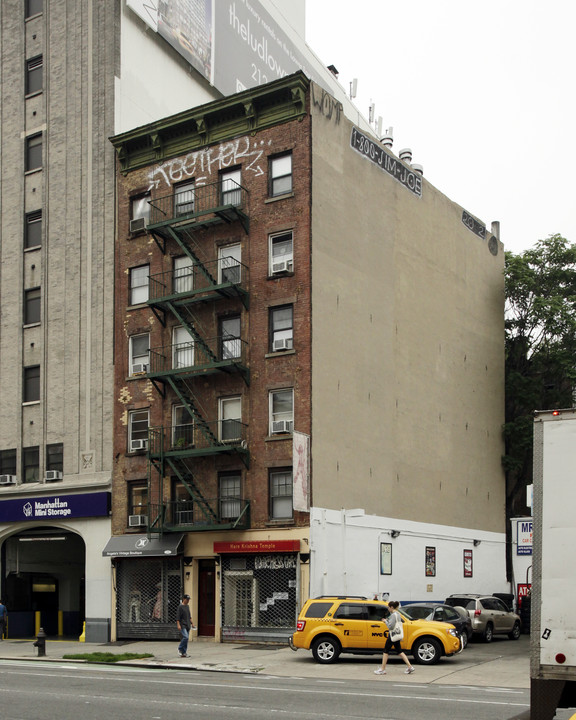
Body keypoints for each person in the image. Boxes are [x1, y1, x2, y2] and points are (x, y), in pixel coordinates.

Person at [374, 600, 415, 675]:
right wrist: (388, 620)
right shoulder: (398, 614)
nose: (388, 609)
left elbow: (390, 627)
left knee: (386, 651)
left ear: (391, 607)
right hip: (397, 635)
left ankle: (382, 669)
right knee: (399, 651)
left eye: (388, 607)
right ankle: (410, 666)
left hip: (392, 635)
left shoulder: (393, 615)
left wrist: (385, 622)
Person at [176, 593, 195, 657]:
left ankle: (184, 653)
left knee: (186, 639)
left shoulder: (187, 606)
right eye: (187, 599)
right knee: (185, 637)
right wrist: (178, 625)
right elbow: (178, 617)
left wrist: (192, 623)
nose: (188, 601)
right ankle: (180, 648)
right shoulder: (180, 607)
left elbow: (189, 616)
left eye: (188, 599)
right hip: (182, 625)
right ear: (184, 599)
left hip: (188, 625)